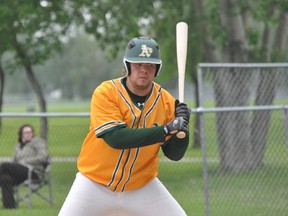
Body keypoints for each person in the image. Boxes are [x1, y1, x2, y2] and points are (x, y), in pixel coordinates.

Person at [58, 36, 191, 216]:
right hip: (94, 184)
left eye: (150, 65)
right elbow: (115, 138)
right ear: (128, 66)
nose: (144, 70)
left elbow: (175, 154)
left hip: (141, 187)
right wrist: (166, 129)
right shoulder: (106, 93)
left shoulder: (166, 101)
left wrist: (182, 130)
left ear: (157, 69)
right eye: (138, 64)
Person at [0, 124, 48, 209]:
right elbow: (14, 161)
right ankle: (10, 207)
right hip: (20, 173)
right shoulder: (18, 146)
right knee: (4, 178)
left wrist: (25, 161)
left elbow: (43, 157)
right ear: (21, 134)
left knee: (4, 166)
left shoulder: (38, 142)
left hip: (33, 172)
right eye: (26, 132)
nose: (29, 134)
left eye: (30, 132)